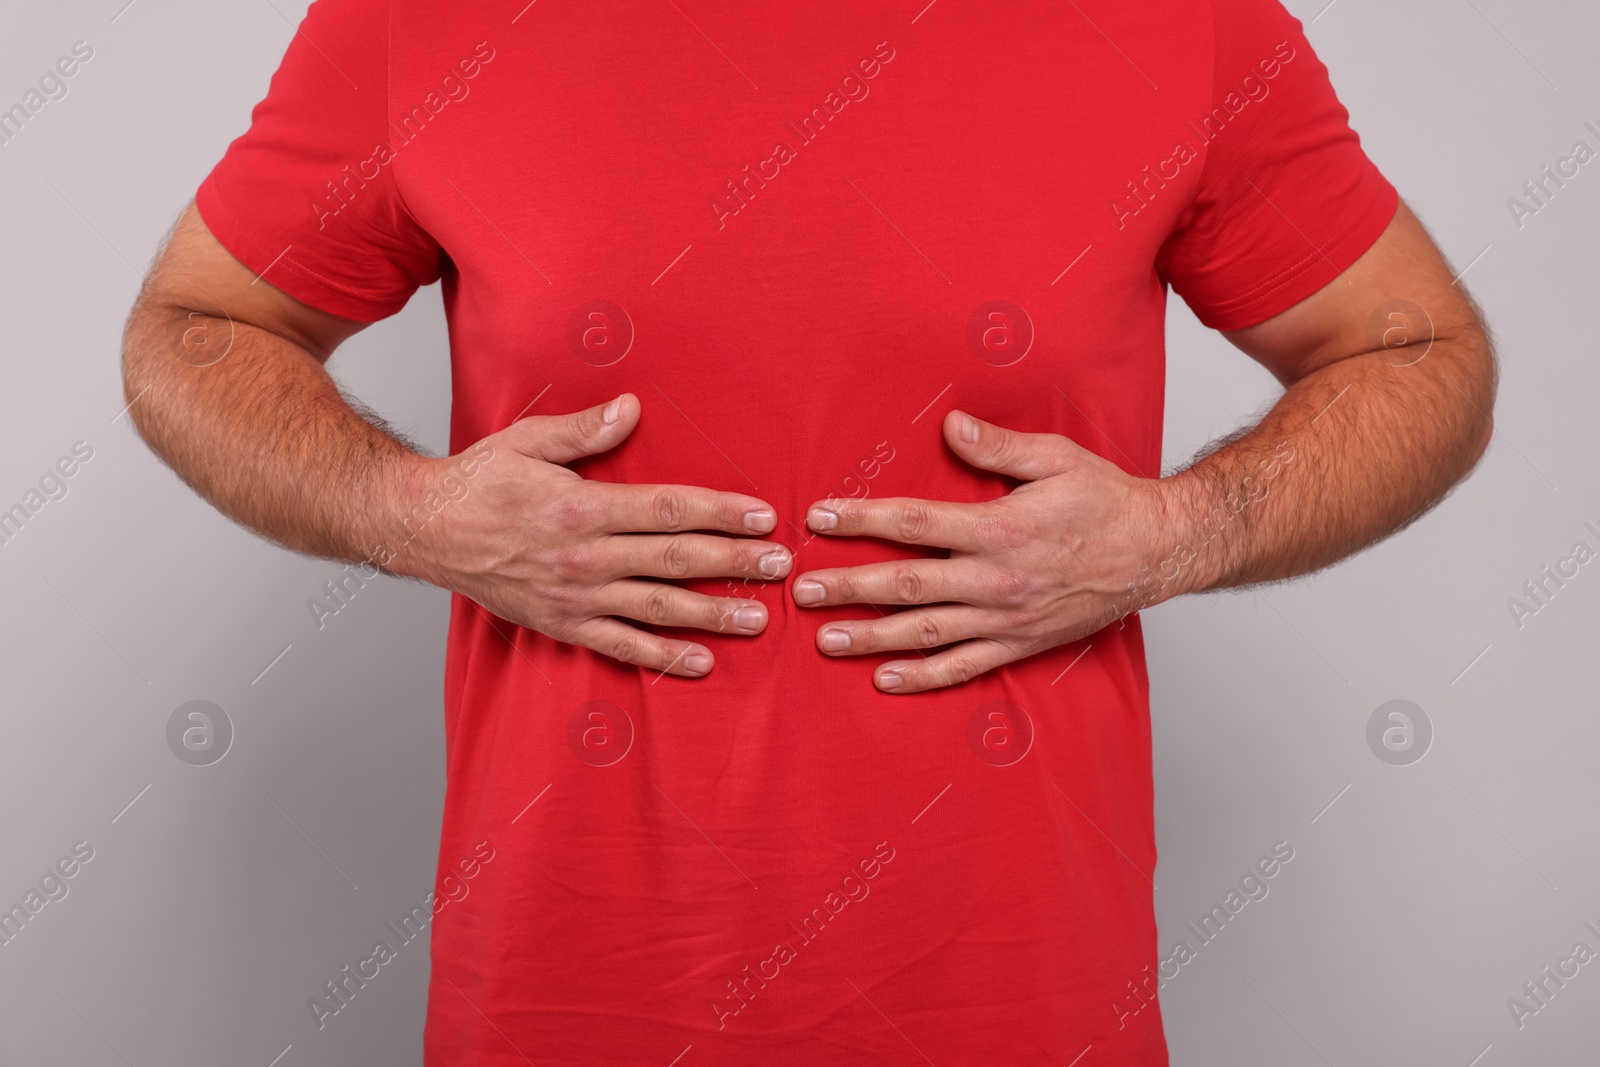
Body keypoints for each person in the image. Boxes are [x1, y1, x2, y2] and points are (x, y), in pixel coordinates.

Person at [120, 0, 1494, 1062]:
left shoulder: (1177, 24)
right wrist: (408, 511)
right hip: (569, 1003)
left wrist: (1183, 533)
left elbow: (1422, 353)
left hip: (1014, 1005)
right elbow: (192, 331)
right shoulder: (431, 19)